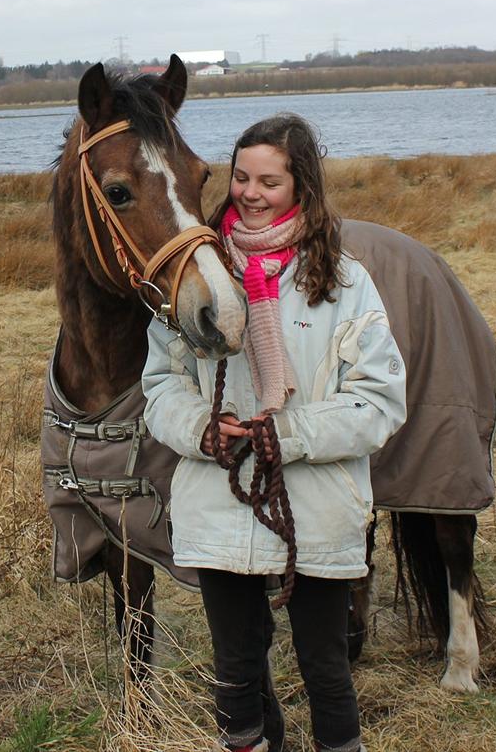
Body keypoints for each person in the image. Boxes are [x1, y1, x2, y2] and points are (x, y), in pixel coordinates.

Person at [142, 113, 406, 752]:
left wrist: (287, 435)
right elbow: (161, 387)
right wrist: (202, 430)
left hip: (315, 509)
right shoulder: (195, 280)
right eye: (241, 178)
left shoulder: (344, 283)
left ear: (301, 187)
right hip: (220, 503)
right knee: (234, 673)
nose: (251, 194)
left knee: (326, 670)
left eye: (269, 182)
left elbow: (379, 401)